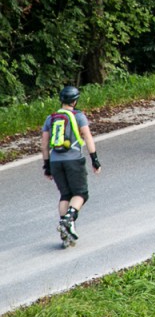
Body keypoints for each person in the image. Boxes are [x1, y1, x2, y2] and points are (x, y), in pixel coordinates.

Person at [41, 85, 100, 248]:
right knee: (81, 194)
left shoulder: (50, 118)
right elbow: (87, 138)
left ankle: (65, 231)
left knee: (65, 194)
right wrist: (95, 160)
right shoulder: (79, 116)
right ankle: (68, 219)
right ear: (74, 101)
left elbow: (44, 144)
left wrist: (47, 166)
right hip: (73, 159)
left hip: (55, 161)